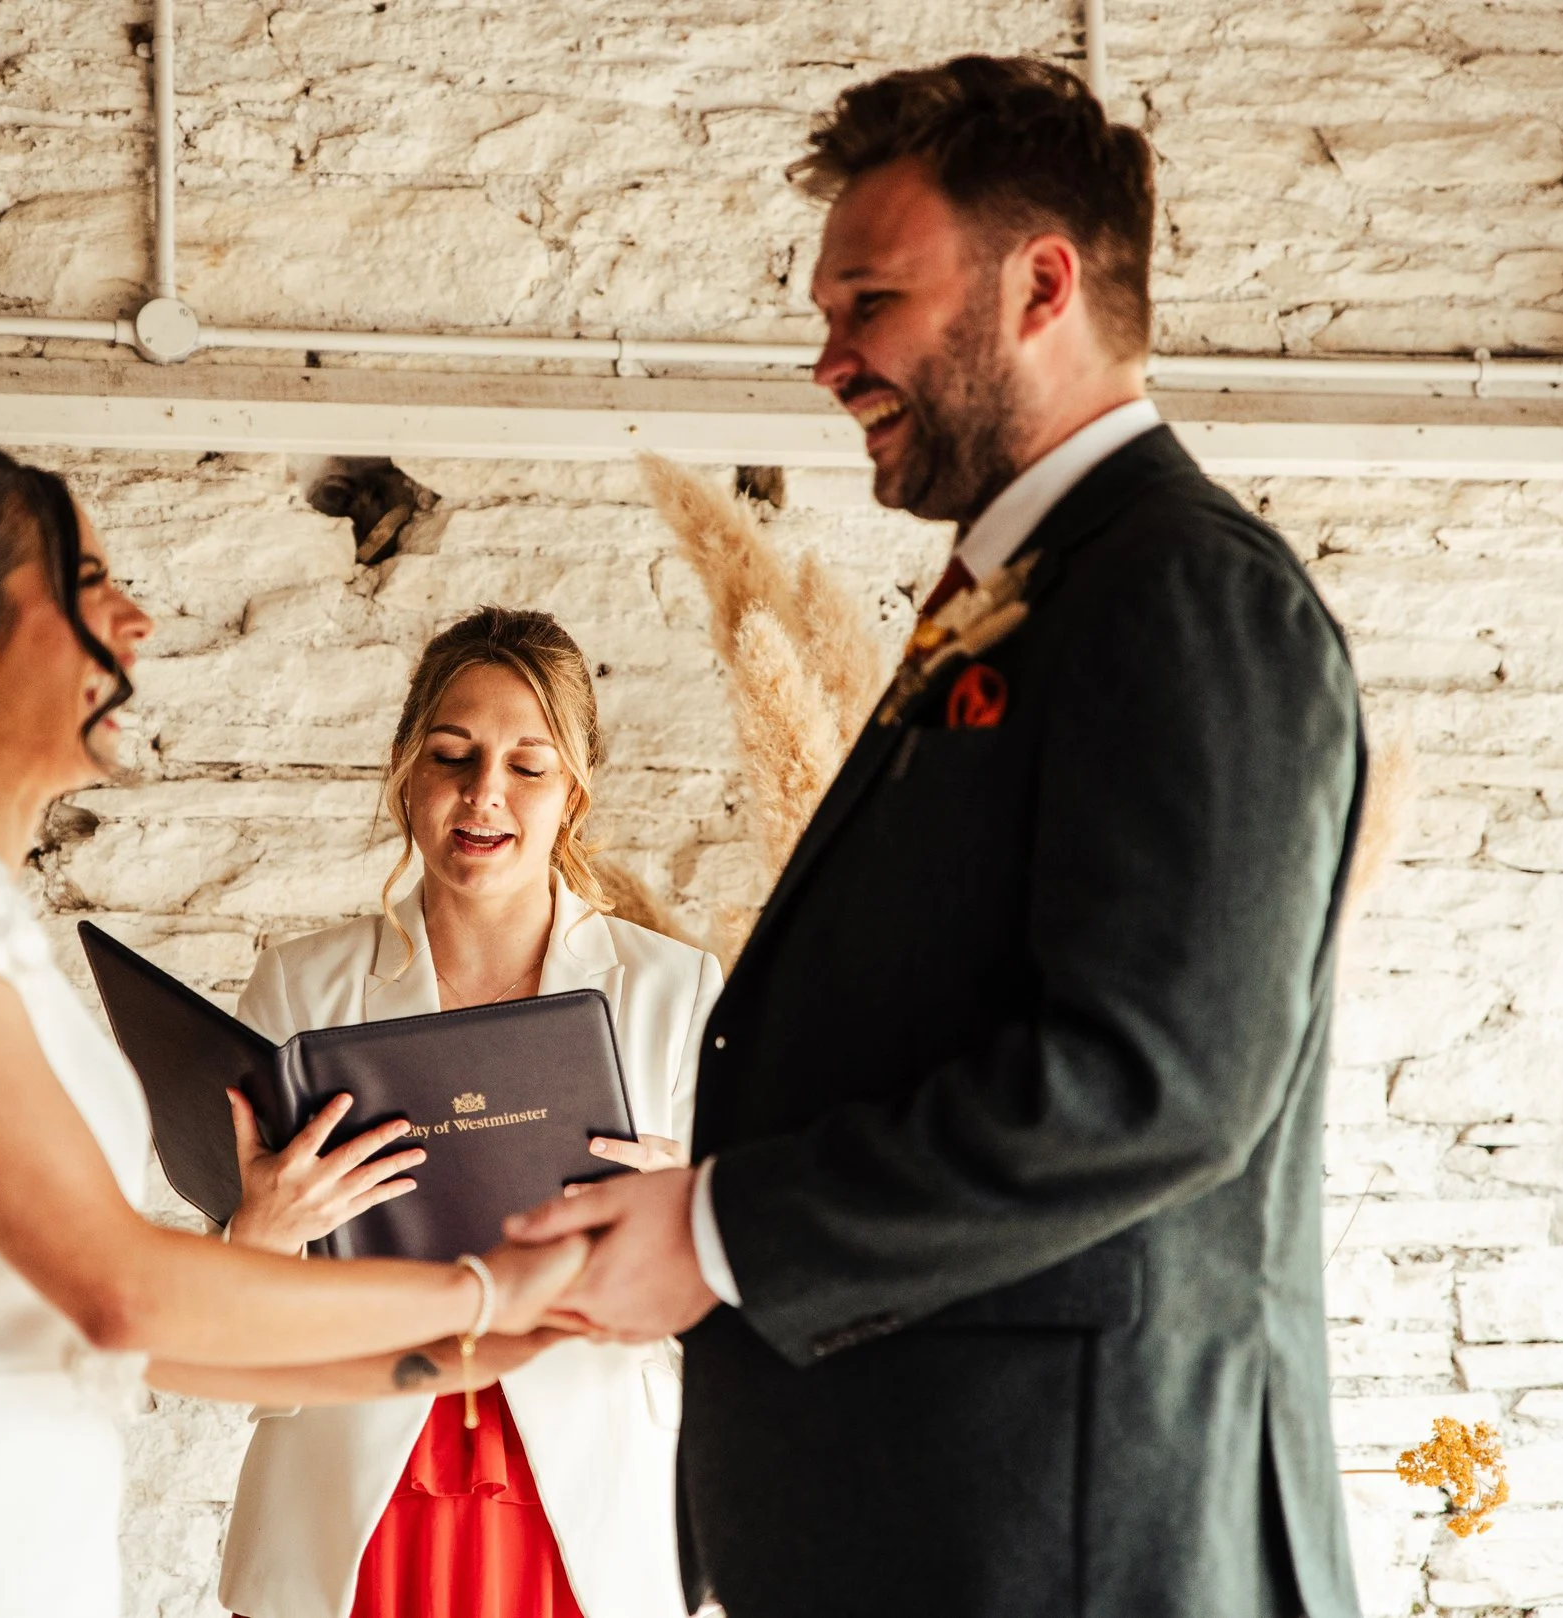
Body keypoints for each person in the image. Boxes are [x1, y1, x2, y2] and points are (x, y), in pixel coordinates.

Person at [511, 57, 1368, 1618]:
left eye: (873, 303)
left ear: (1043, 283)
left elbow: (1154, 1081)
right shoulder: (1032, 591)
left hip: (1069, 1542)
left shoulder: (1184, 592)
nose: (832, 360)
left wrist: (720, 1231)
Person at [0, 445, 590, 1618]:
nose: (137, 621)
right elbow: (120, 1291)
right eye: (88, 584)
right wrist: (478, 1291)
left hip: (22, 1541)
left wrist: (460, 1358)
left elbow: (116, 1339)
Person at [216, 607, 721, 1618]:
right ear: (407, 769)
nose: (483, 792)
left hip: (584, 1505)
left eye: (527, 765)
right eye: (452, 754)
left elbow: (733, 1311)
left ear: (573, 791)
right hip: (356, 1495)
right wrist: (260, 1229)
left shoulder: (675, 991)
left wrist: (691, 1221)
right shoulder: (299, 989)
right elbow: (226, 1326)